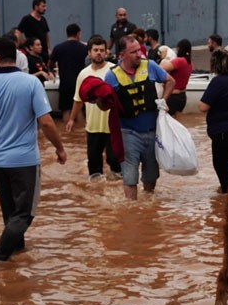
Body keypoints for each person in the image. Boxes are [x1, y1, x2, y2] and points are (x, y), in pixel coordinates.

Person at [0, 37, 67, 261]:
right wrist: (59, 148)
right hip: (25, 161)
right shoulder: (30, 83)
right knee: (24, 214)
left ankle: (17, 254)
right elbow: (47, 122)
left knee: (10, 214)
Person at [105, 35, 175, 200]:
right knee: (129, 175)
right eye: (134, 52)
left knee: (151, 174)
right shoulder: (111, 76)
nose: (139, 54)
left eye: (140, 50)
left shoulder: (150, 66)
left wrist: (163, 101)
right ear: (122, 55)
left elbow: (170, 81)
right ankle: (133, 209)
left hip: (152, 131)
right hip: (127, 132)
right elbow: (104, 105)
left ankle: (148, 202)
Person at [66, 36, 121, 181]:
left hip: (113, 127)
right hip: (93, 127)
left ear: (106, 52)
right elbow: (78, 99)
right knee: (94, 167)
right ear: (89, 53)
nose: (99, 53)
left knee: (116, 164)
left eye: (102, 50)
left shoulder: (114, 71)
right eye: (95, 50)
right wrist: (71, 119)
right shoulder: (83, 74)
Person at [198, 49, 228, 194]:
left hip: (224, 133)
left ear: (214, 65)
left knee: (221, 166)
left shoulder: (217, 82)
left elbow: (203, 106)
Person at [50, 23, 88, 115]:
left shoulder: (58, 48)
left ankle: (66, 129)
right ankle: (79, 129)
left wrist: (53, 72)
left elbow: (50, 64)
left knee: (66, 110)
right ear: (78, 33)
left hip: (65, 84)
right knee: (79, 110)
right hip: (79, 83)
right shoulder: (84, 48)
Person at [159, 39, 193, 118]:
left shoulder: (179, 61)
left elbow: (161, 68)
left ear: (179, 49)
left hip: (173, 97)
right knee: (177, 124)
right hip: (182, 97)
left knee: (166, 123)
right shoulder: (189, 63)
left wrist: (164, 60)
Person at [17, 0, 51, 64]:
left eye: (45, 6)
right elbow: (18, 32)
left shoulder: (43, 19)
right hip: (33, 53)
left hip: (44, 52)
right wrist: (23, 44)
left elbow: (46, 34)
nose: (45, 8)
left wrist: (48, 48)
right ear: (36, 7)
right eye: (43, 6)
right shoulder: (27, 19)